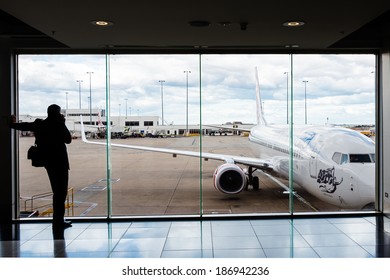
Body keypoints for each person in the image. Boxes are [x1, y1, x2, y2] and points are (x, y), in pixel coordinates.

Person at [10, 104, 72, 229]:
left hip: (48, 162)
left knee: (57, 191)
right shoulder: (58, 124)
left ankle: (58, 221)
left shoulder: (40, 124)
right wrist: (62, 123)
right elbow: (68, 139)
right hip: (60, 162)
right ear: (58, 113)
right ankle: (58, 221)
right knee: (61, 192)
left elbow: (25, 126)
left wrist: (12, 123)